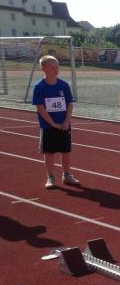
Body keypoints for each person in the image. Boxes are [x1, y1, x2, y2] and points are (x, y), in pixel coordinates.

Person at [31, 55, 80, 189]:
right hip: (48, 126)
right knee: (49, 152)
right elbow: (40, 107)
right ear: (44, 69)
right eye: (52, 68)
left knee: (65, 151)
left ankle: (67, 175)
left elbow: (69, 104)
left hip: (64, 124)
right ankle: (50, 177)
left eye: (57, 67)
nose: (56, 70)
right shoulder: (39, 87)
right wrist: (52, 123)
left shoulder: (64, 85)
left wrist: (66, 121)